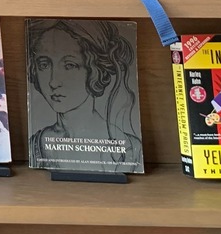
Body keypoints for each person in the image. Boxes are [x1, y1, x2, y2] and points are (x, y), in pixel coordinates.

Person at [27, 20, 142, 173]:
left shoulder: (130, 149)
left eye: (69, 65)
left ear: (95, 70)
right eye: (44, 65)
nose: (53, 82)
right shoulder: (35, 145)